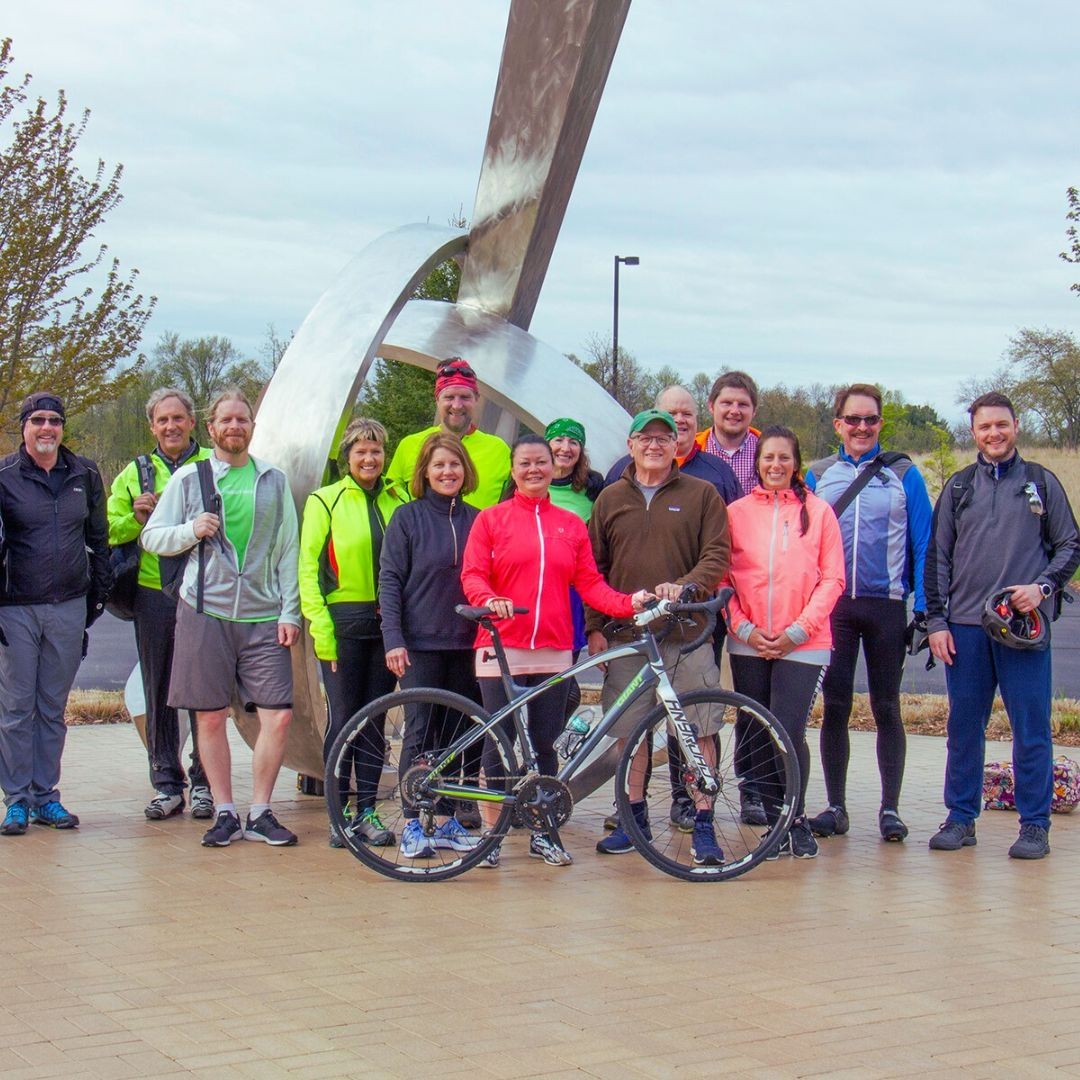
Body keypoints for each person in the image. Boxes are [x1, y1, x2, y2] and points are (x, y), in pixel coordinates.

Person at [461, 433, 651, 868]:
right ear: (513, 471)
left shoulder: (568, 524)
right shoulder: (491, 520)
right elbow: (473, 576)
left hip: (553, 648)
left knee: (545, 745)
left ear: (554, 468)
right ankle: (491, 837)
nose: (534, 470)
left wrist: (629, 602)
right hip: (500, 645)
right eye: (525, 463)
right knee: (500, 743)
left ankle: (543, 834)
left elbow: (591, 586)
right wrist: (489, 601)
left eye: (541, 463)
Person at [141, 388, 301, 848]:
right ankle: (225, 810)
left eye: (242, 420)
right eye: (226, 420)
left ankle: (262, 811)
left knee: (279, 716)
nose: (235, 427)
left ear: (252, 427)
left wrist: (289, 610)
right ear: (210, 428)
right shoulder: (190, 479)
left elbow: (287, 549)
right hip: (204, 610)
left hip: (263, 615)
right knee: (209, 718)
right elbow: (153, 537)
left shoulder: (272, 479)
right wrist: (191, 530)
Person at [925, 392, 1080, 860]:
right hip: (967, 628)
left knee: (1031, 728)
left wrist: (1043, 588)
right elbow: (937, 559)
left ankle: (1035, 825)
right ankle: (960, 818)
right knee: (963, 726)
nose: (993, 434)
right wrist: (937, 621)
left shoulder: (1041, 483)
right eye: (984, 427)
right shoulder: (957, 488)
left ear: (1015, 426)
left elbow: (1070, 545)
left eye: (1001, 425)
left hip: (1024, 628)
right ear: (973, 433)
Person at [587, 409, 731, 864]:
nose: (654, 445)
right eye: (644, 438)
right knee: (630, 734)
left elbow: (717, 555)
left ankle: (703, 822)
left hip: (685, 633)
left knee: (698, 729)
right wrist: (595, 628)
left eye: (663, 438)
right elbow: (593, 568)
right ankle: (633, 820)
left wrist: (687, 585)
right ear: (630, 445)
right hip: (628, 635)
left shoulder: (702, 494)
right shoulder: (610, 499)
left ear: (677, 445)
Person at [804, 384, 933, 843]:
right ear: (837, 423)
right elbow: (806, 546)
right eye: (853, 420)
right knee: (835, 706)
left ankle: (891, 809)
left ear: (880, 424)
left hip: (886, 606)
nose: (862, 427)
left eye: (871, 420)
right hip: (834, 607)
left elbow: (924, 543)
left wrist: (922, 607)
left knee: (886, 707)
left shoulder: (903, 474)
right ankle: (835, 806)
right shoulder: (818, 475)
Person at [722, 426, 845, 859]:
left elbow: (833, 579)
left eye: (784, 458)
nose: (776, 465)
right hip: (749, 640)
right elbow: (725, 580)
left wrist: (797, 630)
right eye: (768, 458)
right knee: (756, 730)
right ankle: (775, 823)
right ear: (757, 463)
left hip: (804, 642)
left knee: (787, 730)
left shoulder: (819, 512)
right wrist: (744, 630)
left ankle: (795, 817)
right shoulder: (736, 512)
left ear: (796, 463)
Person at [0, 392, 110, 836]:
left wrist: (95, 598)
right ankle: (16, 801)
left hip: (68, 607)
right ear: (24, 426)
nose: (47, 428)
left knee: (52, 707)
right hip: (16, 610)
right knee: (15, 707)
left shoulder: (83, 473)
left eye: (55, 421)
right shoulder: (5, 476)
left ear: (63, 428)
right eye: (38, 420)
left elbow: (99, 540)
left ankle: (46, 797)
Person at [298, 418, 409, 848]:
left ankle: (367, 811)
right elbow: (308, 569)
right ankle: (337, 813)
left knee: (375, 722)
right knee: (344, 718)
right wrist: (319, 625)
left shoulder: (398, 499)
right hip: (341, 623)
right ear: (348, 457)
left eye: (377, 450)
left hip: (386, 623)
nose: (369, 458)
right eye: (361, 451)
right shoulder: (324, 501)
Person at [107, 387, 214, 822]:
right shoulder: (135, 472)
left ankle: (207, 782)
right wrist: (132, 517)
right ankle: (167, 784)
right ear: (152, 426)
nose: (171, 427)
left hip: (207, 591)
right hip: (154, 592)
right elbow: (108, 530)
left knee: (205, 692)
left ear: (192, 422)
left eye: (178, 418)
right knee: (158, 690)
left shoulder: (214, 463)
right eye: (162, 420)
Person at [379, 432, 483, 857]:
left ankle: (451, 820)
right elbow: (389, 580)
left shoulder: (479, 518)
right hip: (420, 642)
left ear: (465, 470)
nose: (447, 472)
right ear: (425, 471)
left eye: (454, 465)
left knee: (464, 733)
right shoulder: (407, 517)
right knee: (420, 732)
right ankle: (412, 824)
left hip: (468, 643)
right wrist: (394, 639)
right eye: (439, 465)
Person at [386, 356, 510, 509]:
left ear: (476, 399)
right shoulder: (409, 445)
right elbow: (389, 503)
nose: (457, 405)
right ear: (437, 399)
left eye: (465, 397)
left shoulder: (499, 450)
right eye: (449, 397)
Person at [605, 386, 740, 504]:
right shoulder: (622, 472)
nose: (679, 420)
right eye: (671, 414)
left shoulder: (720, 473)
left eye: (687, 414)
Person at [695, 370, 761, 498]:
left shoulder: (770, 453)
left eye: (743, 404)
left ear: (754, 411)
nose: (735, 411)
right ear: (711, 406)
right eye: (727, 403)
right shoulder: (691, 451)